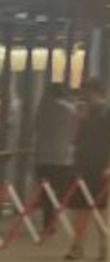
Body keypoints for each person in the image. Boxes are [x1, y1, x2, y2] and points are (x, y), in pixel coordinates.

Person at [68, 78, 110, 261]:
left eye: (87, 91)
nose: (84, 95)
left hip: (98, 165)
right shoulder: (84, 112)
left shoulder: (106, 112)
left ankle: (102, 245)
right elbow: (74, 137)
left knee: (96, 207)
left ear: (96, 92)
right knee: (81, 207)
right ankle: (79, 245)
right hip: (84, 164)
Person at [34, 83, 77, 233]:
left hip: (42, 156)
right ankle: (55, 218)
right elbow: (74, 131)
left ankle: (48, 222)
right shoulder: (70, 108)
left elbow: (37, 127)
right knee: (59, 190)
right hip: (63, 157)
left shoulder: (42, 109)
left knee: (46, 191)